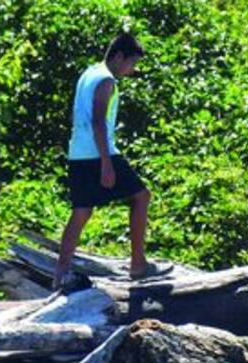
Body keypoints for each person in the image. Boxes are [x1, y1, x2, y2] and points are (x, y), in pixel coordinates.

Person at [55, 31, 169, 289]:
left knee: (81, 211)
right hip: (98, 152)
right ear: (118, 56)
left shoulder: (89, 73)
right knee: (141, 197)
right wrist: (106, 164)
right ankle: (138, 265)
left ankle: (59, 274)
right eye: (132, 62)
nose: (132, 69)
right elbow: (98, 122)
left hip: (78, 153)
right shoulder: (106, 80)